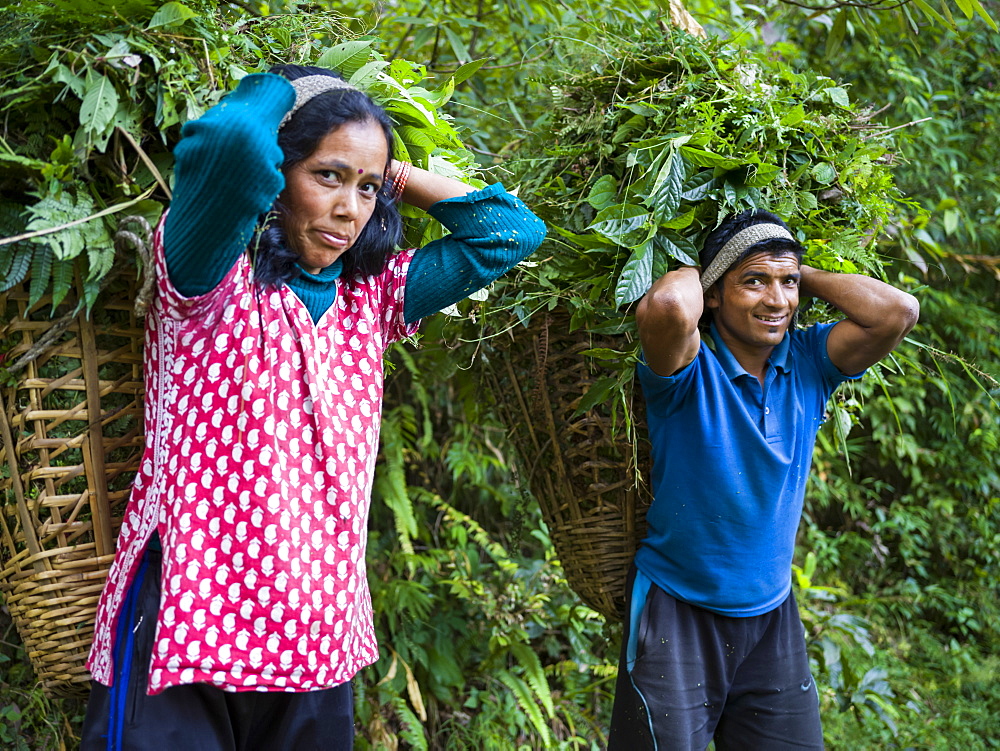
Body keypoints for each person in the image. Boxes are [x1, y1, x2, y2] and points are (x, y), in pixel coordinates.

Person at [80, 64, 545, 749]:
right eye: (327, 176)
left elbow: (511, 231)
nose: (348, 208)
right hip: (187, 621)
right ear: (278, 177)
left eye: (365, 190)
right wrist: (297, 85)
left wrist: (397, 176)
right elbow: (235, 140)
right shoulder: (209, 278)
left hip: (315, 634)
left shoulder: (376, 297)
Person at [608, 209, 919, 750]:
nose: (776, 301)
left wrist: (790, 265)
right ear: (713, 295)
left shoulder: (808, 364)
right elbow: (664, 306)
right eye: (753, 282)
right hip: (678, 616)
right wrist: (702, 265)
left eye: (787, 285)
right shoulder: (686, 372)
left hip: (771, 619)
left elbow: (898, 311)